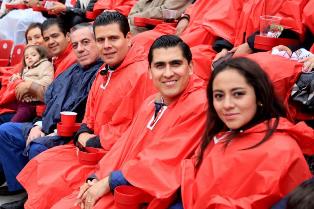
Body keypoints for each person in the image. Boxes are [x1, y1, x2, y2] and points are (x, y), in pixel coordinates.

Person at [17, 11, 156, 209]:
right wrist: (83, 132)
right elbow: (89, 116)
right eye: (101, 40)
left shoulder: (142, 74)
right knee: (42, 163)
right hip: (90, 148)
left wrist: (90, 139)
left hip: (114, 156)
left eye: (113, 38)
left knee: (54, 176)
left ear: (128, 38)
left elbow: (135, 133)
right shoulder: (104, 70)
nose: (106, 45)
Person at [180, 57, 314, 209]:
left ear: (259, 97)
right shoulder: (216, 137)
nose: (227, 105)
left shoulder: (283, 150)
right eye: (219, 96)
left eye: (238, 94)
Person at [0, 22, 102, 209]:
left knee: (38, 147)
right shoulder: (72, 69)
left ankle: (32, 200)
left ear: (98, 42)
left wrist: (52, 131)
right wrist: (39, 124)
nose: (80, 49)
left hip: (68, 134)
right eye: (77, 44)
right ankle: (20, 190)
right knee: (5, 131)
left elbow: (82, 114)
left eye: (86, 42)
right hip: (45, 124)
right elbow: (52, 101)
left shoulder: (100, 73)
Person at [0, 23, 45, 124]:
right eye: (29, 39)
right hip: (12, 106)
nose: (33, 42)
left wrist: (19, 82)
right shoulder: (28, 60)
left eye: (37, 37)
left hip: (28, 112)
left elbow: (28, 103)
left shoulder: (48, 62)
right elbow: (10, 77)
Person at [7, 44, 54, 123]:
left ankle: (9, 127)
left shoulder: (45, 65)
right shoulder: (27, 69)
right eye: (26, 57)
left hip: (32, 103)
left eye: (33, 55)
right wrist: (15, 78)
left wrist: (27, 83)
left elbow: (47, 82)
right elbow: (22, 77)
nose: (29, 58)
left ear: (41, 55)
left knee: (14, 122)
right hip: (21, 100)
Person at [128, 0, 193, 35]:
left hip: (163, 31)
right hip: (138, 26)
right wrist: (132, 18)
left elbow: (166, 12)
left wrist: (133, 18)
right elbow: (137, 6)